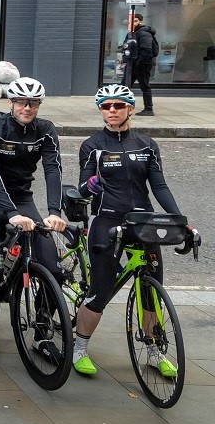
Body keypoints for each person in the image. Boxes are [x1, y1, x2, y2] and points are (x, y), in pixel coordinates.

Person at [72, 84, 184, 377]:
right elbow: (83, 187)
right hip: (106, 221)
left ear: (130, 109)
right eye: (106, 107)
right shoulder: (92, 145)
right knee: (99, 291)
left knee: (151, 294)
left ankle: (154, 351)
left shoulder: (146, 144)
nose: (112, 111)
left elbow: (158, 186)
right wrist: (90, 186)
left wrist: (179, 220)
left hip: (143, 224)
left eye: (118, 106)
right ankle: (80, 348)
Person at [0, 77, 67, 360]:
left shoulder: (45, 130)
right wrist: (12, 213)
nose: (27, 108)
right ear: (11, 103)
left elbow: (53, 170)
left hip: (24, 200)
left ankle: (40, 334)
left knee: (54, 271)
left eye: (33, 103)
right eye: (22, 102)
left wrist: (54, 212)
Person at [122, 13, 157, 116]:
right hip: (132, 64)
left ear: (140, 21)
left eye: (135, 21)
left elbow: (146, 51)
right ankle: (123, 106)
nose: (132, 23)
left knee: (144, 86)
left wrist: (138, 64)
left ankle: (149, 109)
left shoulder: (143, 33)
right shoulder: (133, 33)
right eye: (131, 21)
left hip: (141, 65)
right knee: (125, 85)